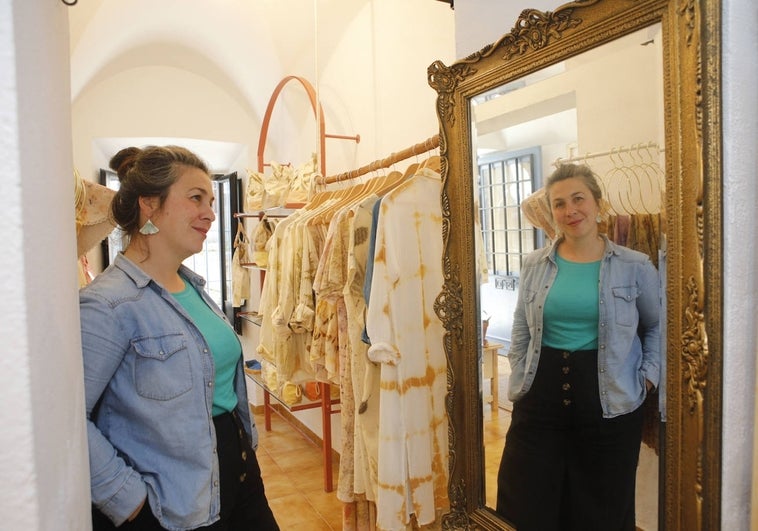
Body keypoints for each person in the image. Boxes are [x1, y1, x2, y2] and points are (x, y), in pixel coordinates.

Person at [80, 145, 279, 530]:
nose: (211, 212)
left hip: (237, 473)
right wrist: (131, 502)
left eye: (211, 199)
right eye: (195, 198)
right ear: (150, 206)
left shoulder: (192, 287)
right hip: (172, 499)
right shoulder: (108, 304)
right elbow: (71, 420)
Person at [496, 163, 660, 530]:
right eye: (559, 203)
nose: (570, 211)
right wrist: (519, 373)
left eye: (578, 199)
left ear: (597, 204)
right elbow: (522, 324)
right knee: (523, 500)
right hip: (539, 398)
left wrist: (647, 378)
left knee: (600, 510)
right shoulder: (535, 265)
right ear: (551, 212)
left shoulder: (635, 266)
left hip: (610, 403)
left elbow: (657, 327)